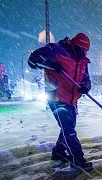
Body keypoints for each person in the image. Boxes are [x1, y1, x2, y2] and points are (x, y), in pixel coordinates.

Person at [28, 33, 93, 172]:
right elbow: (33, 60)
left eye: (86, 50)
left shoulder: (82, 61)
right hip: (56, 97)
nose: (85, 52)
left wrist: (85, 87)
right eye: (83, 49)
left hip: (72, 100)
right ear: (76, 46)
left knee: (68, 128)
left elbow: (86, 80)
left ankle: (58, 152)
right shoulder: (56, 49)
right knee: (69, 130)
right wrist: (51, 64)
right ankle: (78, 161)